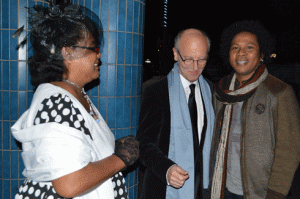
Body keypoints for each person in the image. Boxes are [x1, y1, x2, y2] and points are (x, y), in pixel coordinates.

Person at [11, 1, 138, 199]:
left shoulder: (75, 93)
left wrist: (110, 149)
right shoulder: (56, 102)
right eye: (93, 49)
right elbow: (69, 184)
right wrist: (120, 159)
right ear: (67, 52)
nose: (99, 55)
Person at [210, 20, 300, 199]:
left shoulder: (279, 92)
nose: (241, 53)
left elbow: (289, 151)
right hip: (222, 188)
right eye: (235, 47)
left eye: (249, 47)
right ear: (228, 54)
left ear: (261, 55)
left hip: (260, 193)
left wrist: (275, 193)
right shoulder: (220, 91)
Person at [137, 28, 215, 199]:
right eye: (187, 59)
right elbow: (143, 144)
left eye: (201, 60)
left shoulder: (210, 90)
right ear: (175, 54)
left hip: (202, 190)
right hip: (164, 190)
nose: (195, 67)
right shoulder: (157, 92)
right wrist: (166, 168)